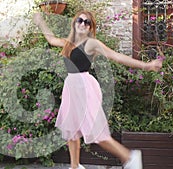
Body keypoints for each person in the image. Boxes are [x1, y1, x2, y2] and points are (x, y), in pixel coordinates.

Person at [33, 10, 162, 169]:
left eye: (87, 22)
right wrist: (40, 22)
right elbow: (51, 39)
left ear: (90, 28)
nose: (82, 24)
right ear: (74, 23)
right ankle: (75, 166)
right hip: (71, 88)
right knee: (71, 130)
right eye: (80, 20)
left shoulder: (92, 43)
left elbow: (117, 56)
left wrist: (146, 66)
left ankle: (129, 157)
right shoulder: (69, 42)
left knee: (96, 132)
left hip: (84, 89)